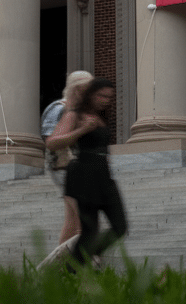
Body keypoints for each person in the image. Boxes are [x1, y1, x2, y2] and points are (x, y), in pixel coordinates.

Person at [45, 77, 127, 266]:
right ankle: (72, 269)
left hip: (103, 176)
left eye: (109, 97)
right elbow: (52, 143)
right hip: (83, 175)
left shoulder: (101, 116)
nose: (105, 100)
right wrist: (81, 130)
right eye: (101, 96)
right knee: (89, 231)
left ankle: (77, 261)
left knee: (120, 226)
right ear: (90, 95)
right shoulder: (74, 115)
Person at [38, 70, 92, 267]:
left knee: (71, 221)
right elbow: (50, 140)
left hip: (74, 169)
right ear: (76, 89)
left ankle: (59, 268)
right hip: (62, 168)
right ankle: (85, 266)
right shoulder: (58, 108)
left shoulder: (78, 112)